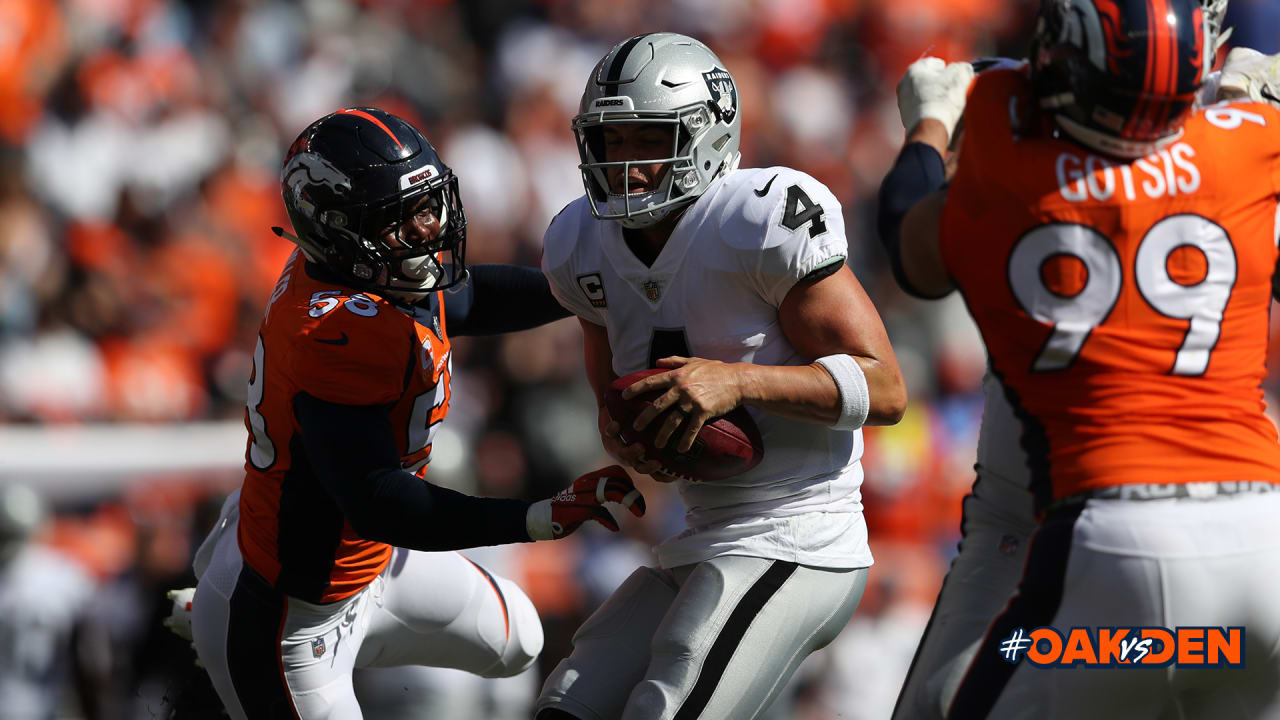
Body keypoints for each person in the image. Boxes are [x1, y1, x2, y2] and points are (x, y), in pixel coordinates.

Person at [172, 107, 646, 720]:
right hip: (288, 617)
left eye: (428, 204)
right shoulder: (339, 330)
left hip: (363, 560)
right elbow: (379, 499)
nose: (429, 227)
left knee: (520, 640)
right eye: (401, 218)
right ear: (337, 228)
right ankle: (219, 624)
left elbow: (468, 295)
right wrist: (534, 516)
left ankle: (222, 602)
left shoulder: (364, 276)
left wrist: (592, 294)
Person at [878, 0, 1280, 716]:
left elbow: (911, 250)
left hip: (1113, 551)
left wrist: (927, 127)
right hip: (1260, 552)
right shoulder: (1250, 142)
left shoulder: (1010, 154)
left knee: (972, 685)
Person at [535, 33, 907, 720]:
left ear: (706, 134)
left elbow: (884, 389)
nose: (625, 163)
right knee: (567, 703)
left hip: (802, 531)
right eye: (611, 140)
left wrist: (738, 382)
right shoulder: (577, 243)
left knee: (668, 705)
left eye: (647, 138)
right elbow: (613, 416)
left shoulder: (759, 217)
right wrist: (637, 444)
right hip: (699, 531)